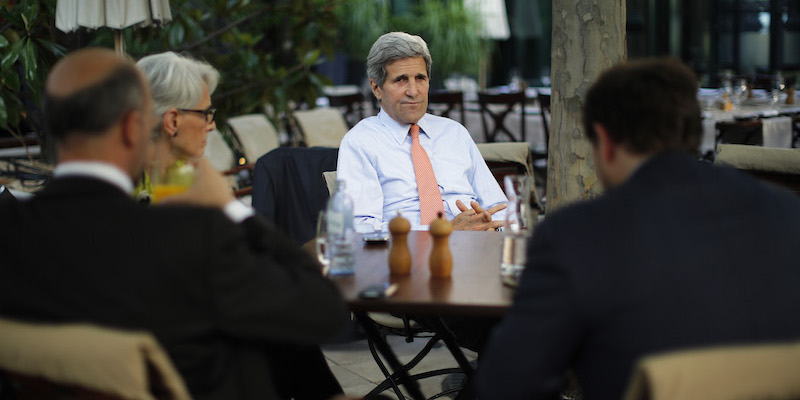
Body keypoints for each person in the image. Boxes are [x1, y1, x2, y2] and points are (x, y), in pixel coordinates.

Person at [0, 48, 349, 400]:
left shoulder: (13, 232)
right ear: (132, 126)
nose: (212, 123)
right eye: (207, 112)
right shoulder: (188, 233)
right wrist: (232, 212)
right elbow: (324, 311)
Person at [476, 58, 800, 399]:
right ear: (690, 132)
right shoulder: (787, 213)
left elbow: (508, 385)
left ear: (605, 141)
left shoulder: (574, 236)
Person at [337, 32, 507, 232]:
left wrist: (492, 227)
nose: (413, 91)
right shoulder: (361, 142)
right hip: (407, 257)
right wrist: (446, 233)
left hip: (479, 249)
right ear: (376, 88)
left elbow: (501, 209)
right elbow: (360, 229)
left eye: (420, 78)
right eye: (400, 80)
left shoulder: (454, 133)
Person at [132, 51, 219, 202]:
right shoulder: (115, 189)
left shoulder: (191, 179)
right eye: (205, 114)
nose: (212, 126)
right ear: (173, 121)